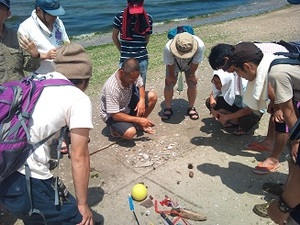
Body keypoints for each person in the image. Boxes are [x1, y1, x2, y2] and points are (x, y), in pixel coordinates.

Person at [0, 43, 94, 225]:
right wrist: (82, 204)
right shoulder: (78, 98)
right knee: (78, 219)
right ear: (85, 80)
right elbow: (79, 156)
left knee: (36, 217)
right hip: (24, 179)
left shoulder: (35, 81)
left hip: (4, 165)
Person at [208, 42, 290, 174]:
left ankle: (274, 158)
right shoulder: (243, 55)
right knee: (276, 108)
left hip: (288, 75)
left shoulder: (254, 63)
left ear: (227, 60)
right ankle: (269, 142)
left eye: (226, 69)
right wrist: (275, 103)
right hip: (277, 73)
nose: (226, 72)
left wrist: (280, 107)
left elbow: (270, 82)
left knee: (282, 117)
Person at [99, 57, 157, 140]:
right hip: (113, 114)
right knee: (130, 133)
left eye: (135, 78)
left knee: (152, 96)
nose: (134, 81)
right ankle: (114, 128)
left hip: (127, 103)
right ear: (122, 73)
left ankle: (138, 124)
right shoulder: (112, 87)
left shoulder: (132, 74)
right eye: (131, 79)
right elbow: (115, 115)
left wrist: (142, 99)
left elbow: (140, 85)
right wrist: (138, 119)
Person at [18, 0, 70, 74]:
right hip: (41, 76)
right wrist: (45, 56)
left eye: (56, 14)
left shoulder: (58, 22)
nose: (55, 17)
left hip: (62, 71)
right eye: (51, 14)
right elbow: (24, 61)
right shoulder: (25, 28)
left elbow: (66, 42)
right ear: (39, 10)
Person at [162, 32, 205, 121]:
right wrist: (171, 76)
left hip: (191, 63)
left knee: (192, 83)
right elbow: (170, 63)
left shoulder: (200, 46)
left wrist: (192, 75)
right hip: (174, 62)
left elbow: (196, 62)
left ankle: (191, 107)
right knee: (169, 83)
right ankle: (168, 108)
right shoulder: (168, 47)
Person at [206, 69, 262, 135]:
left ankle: (236, 120)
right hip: (237, 104)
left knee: (246, 121)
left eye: (218, 83)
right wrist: (213, 110)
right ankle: (233, 118)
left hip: (252, 109)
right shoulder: (224, 83)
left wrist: (226, 117)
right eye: (214, 82)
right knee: (209, 102)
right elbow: (213, 94)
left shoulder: (243, 86)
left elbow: (248, 110)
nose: (216, 85)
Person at [112, 0, 152, 86]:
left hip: (141, 59)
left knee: (141, 86)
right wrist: (122, 50)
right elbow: (114, 37)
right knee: (123, 86)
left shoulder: (148, 18)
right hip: (125, 59)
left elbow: (146, 39)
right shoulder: (119, 17)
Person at [0, 0, 40, 83]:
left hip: (18, 91)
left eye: (0, 8)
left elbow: (30, 67)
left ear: (8, 14)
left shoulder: (17, 37)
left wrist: (35, 55)